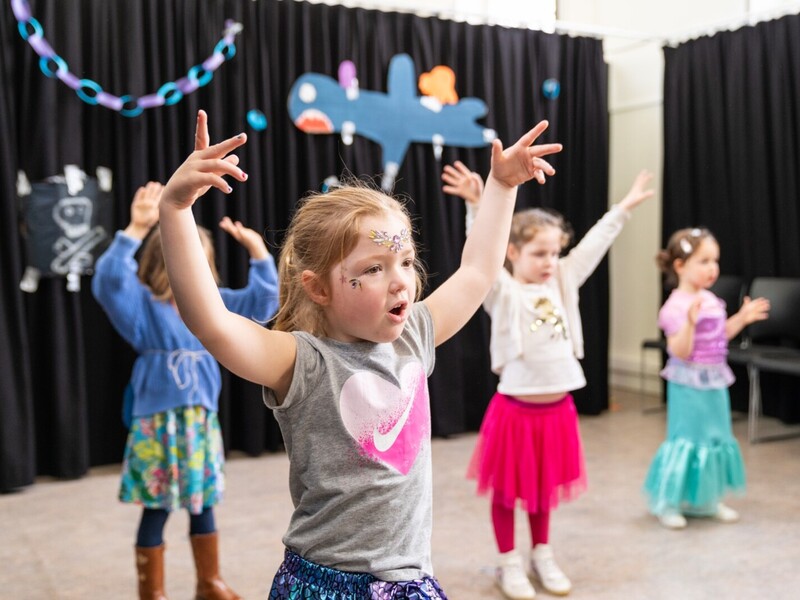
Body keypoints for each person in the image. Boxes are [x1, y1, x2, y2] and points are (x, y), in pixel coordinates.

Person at [156, 109, 562, 599]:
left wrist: (501, 186)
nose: (400, 280)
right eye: (373, 268)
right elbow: (213, 323)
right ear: (318, 288)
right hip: (324, 585)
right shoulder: (302, 362)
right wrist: (175, 211)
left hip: (409, 580)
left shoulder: (414, 336)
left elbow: (476, 271)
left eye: (407, 261)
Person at [443, 161, 653, 599]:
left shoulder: (564, 282)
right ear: (513, 252)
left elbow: (595, 244)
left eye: (555, 253)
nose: (550, 262)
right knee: (506, 493)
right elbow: (480, 254)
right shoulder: (501, 290)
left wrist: (624, 209)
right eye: (540, 253)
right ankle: (507, 563)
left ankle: (541, 553)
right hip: (515, 412)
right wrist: (479, 206)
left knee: (542, 491)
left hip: (557, 412)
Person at [92, 181, 279, 600]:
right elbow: (108, 282)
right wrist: (135, 231)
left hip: (198, 420)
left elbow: (267, 303)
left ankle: (208, 583)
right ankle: (152, 591)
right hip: (156, 422)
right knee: (156, 505)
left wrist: (259, 253)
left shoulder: (216, 306)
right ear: (167, 259)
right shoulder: (143, 307)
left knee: (203, 500)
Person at [642, 227, 769, 530]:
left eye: (715, 261)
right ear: (680, 266)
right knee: (687, 440)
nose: (712, 268)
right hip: (688, 384)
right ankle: (669, 502)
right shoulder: (675, 306)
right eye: (704, 261)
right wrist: (688, 323)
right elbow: (680, 350)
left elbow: (719, 335)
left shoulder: (710, 299)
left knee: (714, 438)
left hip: (714, 381)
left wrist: (741, 318)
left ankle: (707, 500)